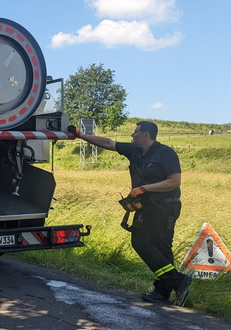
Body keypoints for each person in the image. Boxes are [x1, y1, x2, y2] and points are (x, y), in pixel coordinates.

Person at [68, 121, 192, 306]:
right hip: (145, 207)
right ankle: (177, 281)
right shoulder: (134, 151)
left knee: (161, 246)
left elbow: (174, 182)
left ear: (146, 135)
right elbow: (108, 143)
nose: (132, 135)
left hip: (165, 207)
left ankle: (163, 291)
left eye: (136, 132)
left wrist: (144, 188)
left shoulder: (165, 153)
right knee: (140, 241)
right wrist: (80, 135)